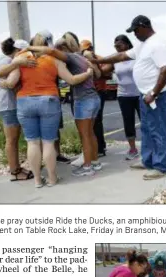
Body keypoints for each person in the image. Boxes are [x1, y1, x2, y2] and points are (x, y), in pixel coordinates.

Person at [1, 32, 93, 187]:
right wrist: (88, 73)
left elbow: (11, 82)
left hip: (25, 102)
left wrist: (4, 83)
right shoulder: (54, 59)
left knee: (33, 143)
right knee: (49, 142)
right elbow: (71, 79)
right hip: (48, 101)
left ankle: (37, 180)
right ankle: (52, 178)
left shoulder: (21, 58)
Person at [91, 15, 166, 180]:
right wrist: (98, 60)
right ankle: (148, 160)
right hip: (145, 94)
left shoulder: (157, 44)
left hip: (156, 95)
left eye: (135, 30)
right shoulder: (142, 45)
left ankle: (160, 167)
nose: (134, 34)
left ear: (144, 26)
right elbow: (121, 56)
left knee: (158, 130)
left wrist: (154, 93)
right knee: (147, 129)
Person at [28, 31, 102, 177]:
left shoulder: (69, 57)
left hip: (83, 100)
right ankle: (94, 162)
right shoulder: (81, 58)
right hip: (94, 98)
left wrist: (29, 49)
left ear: (62, 49)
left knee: (84, 135)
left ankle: (87, 167)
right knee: (91, 133)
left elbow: (51, 51)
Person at [0, 38, 35, 182]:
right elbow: (3, 76)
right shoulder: (8, 61)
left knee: (14, 139)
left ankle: (16, 168)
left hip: (7, 103)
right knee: (12, 139)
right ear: (17, 51)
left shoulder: (4, 59)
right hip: (8, 104)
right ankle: (15, 171)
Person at [99, 35, 140, 160]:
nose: (117, 48)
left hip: (139, 94)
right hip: (123, 96)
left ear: (127, 45)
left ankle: (151, 147)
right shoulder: (115, 60)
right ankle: (133, 149)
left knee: (146, 122)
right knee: (128, 123)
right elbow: (101, 72)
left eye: (119, 46)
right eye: (115, 46)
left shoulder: (135, 56)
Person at [70, 39, 110, 168]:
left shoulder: (86, 58)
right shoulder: (86, 58)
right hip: (93, 95)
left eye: (86, 49)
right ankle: (94, 159)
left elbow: (101, 73)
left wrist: (88, 71)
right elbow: (98, 73)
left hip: (88, 95)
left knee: (86, 132)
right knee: (91, 130)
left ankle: (88, 164)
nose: (86, 51)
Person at [35, 30, 71, 164]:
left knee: (53, 129)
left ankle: (55, 155)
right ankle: (47, 157)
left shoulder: (50, 55)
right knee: (46, 130)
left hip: (48, 95)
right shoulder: (35, 55)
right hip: (47, 96)